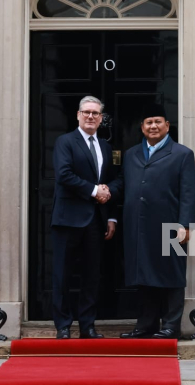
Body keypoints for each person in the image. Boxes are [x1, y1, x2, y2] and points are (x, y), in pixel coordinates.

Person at [114, 104, 195, 339]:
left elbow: (189, 192)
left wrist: (185, 224)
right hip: (138, 227)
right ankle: (146, 324)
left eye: (158, 121)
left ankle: (171, 325)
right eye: (148, 122)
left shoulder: (182, 154)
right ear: (142, 128)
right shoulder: (131, 155)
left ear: (167, 126)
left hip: (171, 225)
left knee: (172, 275)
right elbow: (122, 183)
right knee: (143, 275)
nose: (153, 126)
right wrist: (103, 191)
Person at [51, 96, 119, 339]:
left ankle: (87, 326)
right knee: (63, 274)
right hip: (68, 219)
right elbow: (64, 175)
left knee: (92, 275)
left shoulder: (106, 147)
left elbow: (112, 181)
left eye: (95, 113)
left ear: (101, 119)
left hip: (96, 220)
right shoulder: (65, 142)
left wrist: (111, 216)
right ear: (78, 115)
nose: (91, 116)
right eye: (86, 112)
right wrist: (94, 191)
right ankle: (63, 325)